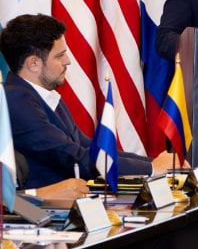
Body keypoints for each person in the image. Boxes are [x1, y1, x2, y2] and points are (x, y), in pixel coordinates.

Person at [0, 14, 182, 189]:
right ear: (33, 64)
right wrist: (152, 169)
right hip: (48, 212)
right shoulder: (17, 99)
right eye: (59, 56)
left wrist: (156, 163)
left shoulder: (42, 94)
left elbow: (90, 147)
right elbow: (74, 156)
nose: (68, 61)